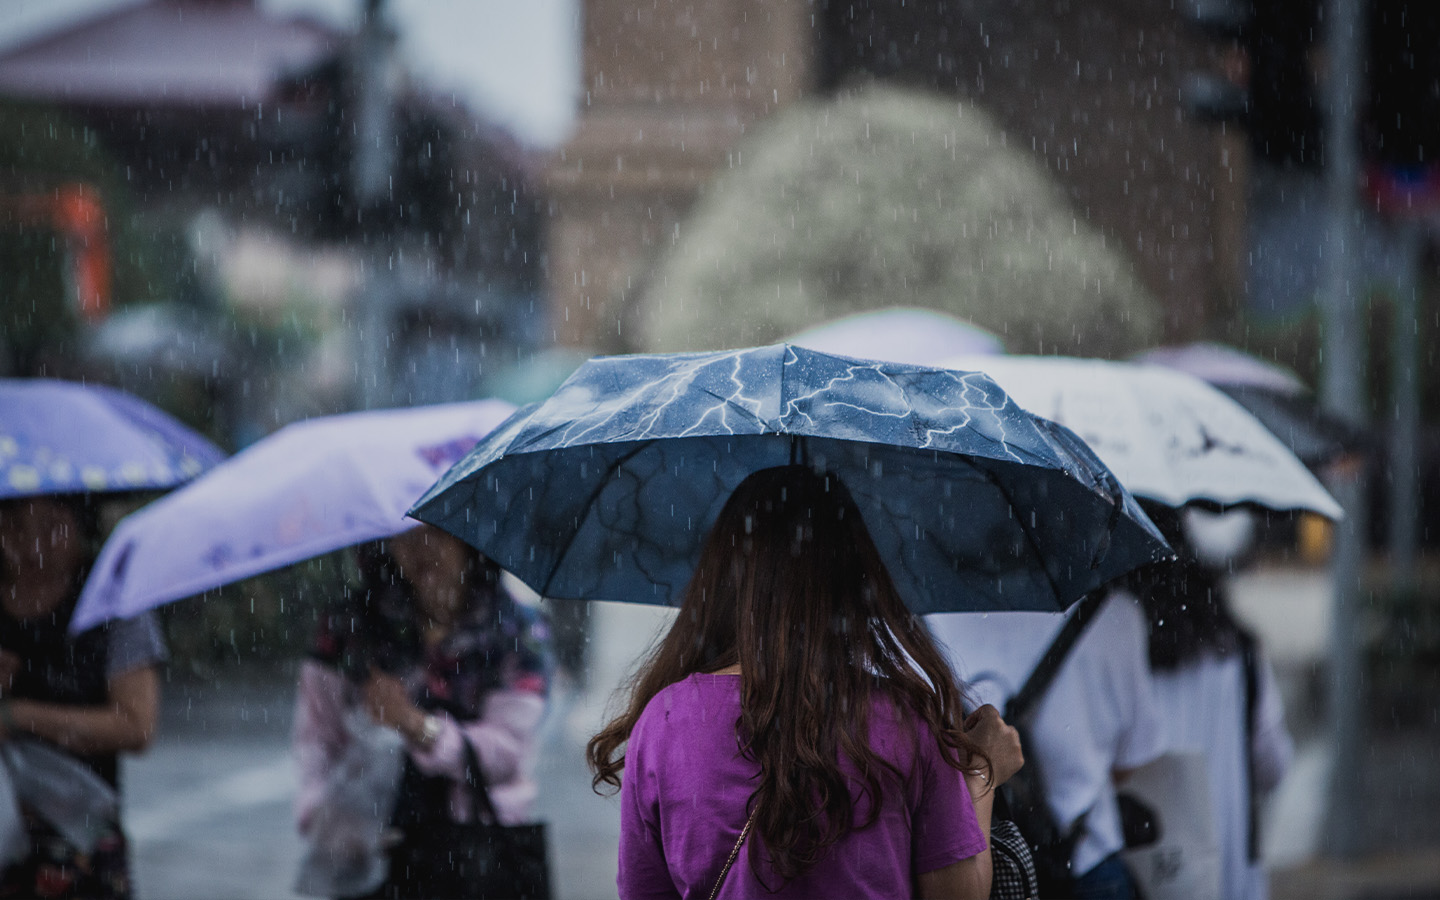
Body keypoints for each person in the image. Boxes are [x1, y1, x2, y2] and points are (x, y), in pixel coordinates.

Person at [587, 465, 1024, 899]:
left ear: (723, 580)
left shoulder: (665, 721)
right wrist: (981, 774)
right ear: (854, 582)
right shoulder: (905, 720)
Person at [293, 524, 554, 899]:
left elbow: (507, 754)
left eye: (440, 531)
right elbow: (316, 736)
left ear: (470, 538)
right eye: (405, 533)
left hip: (472, 848)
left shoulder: (516, 630)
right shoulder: (350, 625)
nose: (422, 547)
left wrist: (415, 724)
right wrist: (320, 813)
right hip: (366, 849)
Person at [928, 587, 1166, 900]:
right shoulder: (1112, 611)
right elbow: (1129, 760)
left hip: (979, 872)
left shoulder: (927, 618)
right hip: (1088, 865)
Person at [0, 495, 166, 899]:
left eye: (51, 526)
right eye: (15, 526)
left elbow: (135, 725)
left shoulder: (113, 603)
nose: (32, 543)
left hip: (79, 846)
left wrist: (17, 716)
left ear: (80, 526)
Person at [1132, 505, 1293, 900]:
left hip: (1147, 864)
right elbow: (1273, 764)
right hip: (1228, 867)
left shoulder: (1120, 645)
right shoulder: (1238, 653)